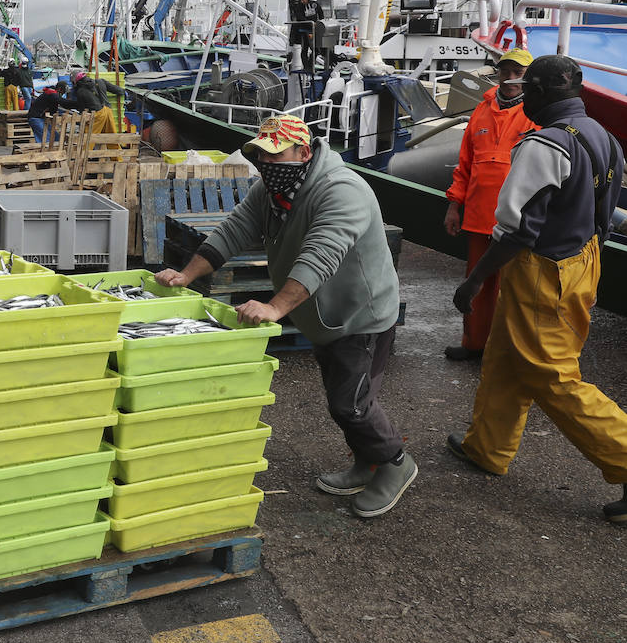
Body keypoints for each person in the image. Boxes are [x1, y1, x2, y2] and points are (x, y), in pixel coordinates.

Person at [155, 114, 416, 518]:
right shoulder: (271, 190)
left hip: (358, 315)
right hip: (320, 314)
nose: (266, 164)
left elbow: (321, 254)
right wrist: (186, 275)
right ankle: (367, 463)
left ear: (304, 152)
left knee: (351, 403)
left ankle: (395, 462)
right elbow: (233, 230)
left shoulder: (342, 190)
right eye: (261, 155)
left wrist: (274, 307)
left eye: (275, 156)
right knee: (342, 396)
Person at [448, 54, 627, 524]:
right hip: (582, 259)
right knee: (507, 355)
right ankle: (487, 447)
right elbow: (604, 214)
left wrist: (475, 280)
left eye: (528, 89)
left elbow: (517, 230)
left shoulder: (543, 144)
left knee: (552, 375)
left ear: (542, 92)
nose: (523, 97)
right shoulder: (603, 137)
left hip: (542, 269)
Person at [442, 48, 537, 361]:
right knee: (477, 285)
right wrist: (454, 205)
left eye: (518, 73)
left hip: (518, 221)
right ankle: (474, 344)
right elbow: (465, 163)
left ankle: (505, 354)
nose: (510, 78)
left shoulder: (537, 113)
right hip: (479, 216)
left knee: (513, 291)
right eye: (505, 71)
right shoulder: (482, 110)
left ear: (529, 78)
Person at [26, 80, 71, 144]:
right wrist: (76, 104)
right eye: (63, 92)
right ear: (59, 89)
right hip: (35, 118)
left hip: (41, 118)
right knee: (46, 139)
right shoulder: (52, 94)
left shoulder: (52, 94)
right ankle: (44, 150)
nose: (63, 94)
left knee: (56, 137)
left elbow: (53, 110)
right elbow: (62, 102)